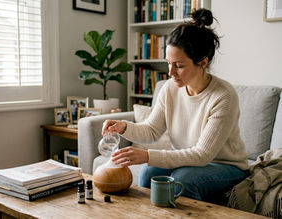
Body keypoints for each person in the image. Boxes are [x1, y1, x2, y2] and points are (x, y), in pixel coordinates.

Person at [102, 8, 249, 204]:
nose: (170, 72)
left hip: (226, 166)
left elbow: (202, 155)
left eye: (178, 65)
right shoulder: (170, 88)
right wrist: (124, 127)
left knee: (182, 180)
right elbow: (152, 130)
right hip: (191, 161)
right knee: (148, 173)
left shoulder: (223, 96)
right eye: (168, 63)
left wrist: (146, 155)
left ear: (202, 62)